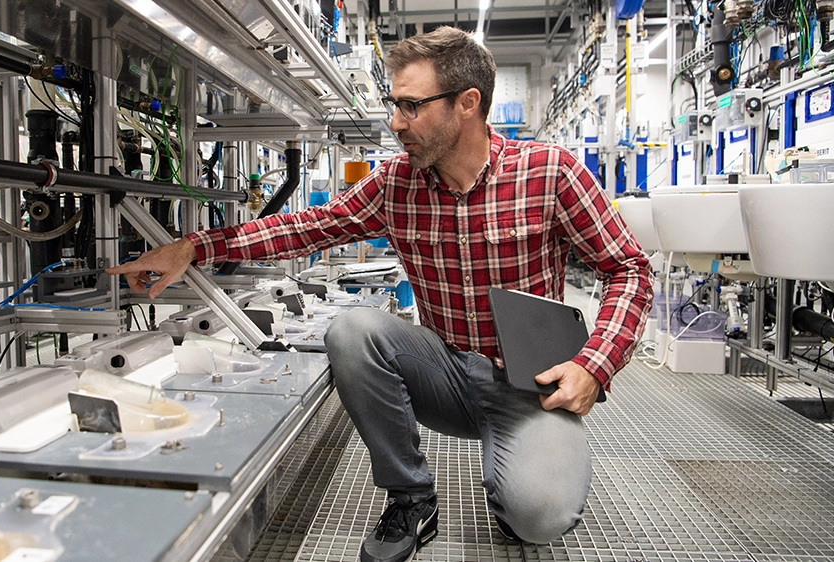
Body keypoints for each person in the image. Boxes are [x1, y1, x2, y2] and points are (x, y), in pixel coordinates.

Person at [107, 26, 652, 562]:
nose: (396, 123)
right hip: (443, 370)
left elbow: (629, 269)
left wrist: (593, 366)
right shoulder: (396, 184)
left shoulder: (549, 173)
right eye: (395, 105)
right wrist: (193, 246)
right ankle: (411, 497)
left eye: (411, 107)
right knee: (353, 331)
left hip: (528, 384)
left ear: (467, 103)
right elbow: (307, 226)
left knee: (538, 518)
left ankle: (515, 477)